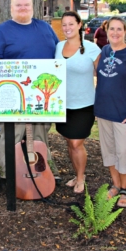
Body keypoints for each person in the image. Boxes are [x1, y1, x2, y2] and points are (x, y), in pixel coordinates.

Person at [0, 0, 60, 180]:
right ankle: (8, 176)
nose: (23, 8)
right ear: (11, 8)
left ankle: (43, 174)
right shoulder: (0, 32)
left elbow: (58, 58)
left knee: (40, 137)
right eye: (19, 5)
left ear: (33, 7)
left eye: (27, 5)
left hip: (41, 97)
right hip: (12, 97)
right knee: (13, 137)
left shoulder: (45, 28)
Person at [94, 17, 126, 207]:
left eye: (119, 29)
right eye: (111, 29)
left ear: (125, 31)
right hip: (103, 110)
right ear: (106, 32)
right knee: (108, 151)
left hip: (123, 113)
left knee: (123, 151)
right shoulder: (105, 51)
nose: (115, 32)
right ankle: (115, 185)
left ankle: (124, 188)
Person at [55, 11, 100, 194]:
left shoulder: (91, 48)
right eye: (64, 25)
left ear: (80, 24)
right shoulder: (58, 47)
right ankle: (76, 174)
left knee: (75, 143)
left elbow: (103, 76)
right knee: (68, 141)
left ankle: (81, 177)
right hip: (62, 104)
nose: (67, 28)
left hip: (84, 104)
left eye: (71, 24)